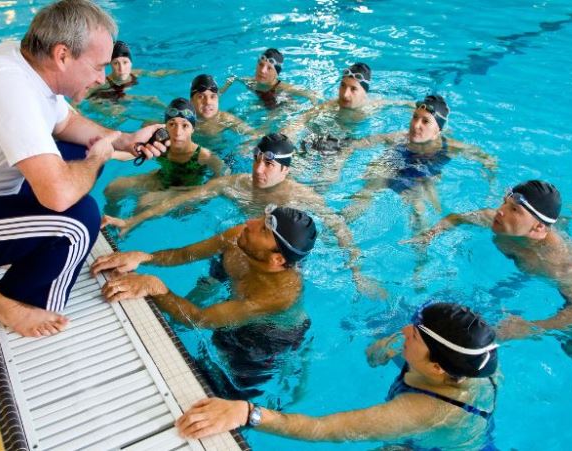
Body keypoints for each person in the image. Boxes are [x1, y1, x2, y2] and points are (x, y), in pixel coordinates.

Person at [0, 0, 166, 338]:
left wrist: (122, 140)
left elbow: (65, 121)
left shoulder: (22, 61)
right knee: (79, 222)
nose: (101, 77)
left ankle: (19, 249)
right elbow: (58, 196)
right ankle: (8, 299)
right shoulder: (10, 92)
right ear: (62, 55)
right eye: (98, 66)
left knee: (77, 152)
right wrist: (100, 155)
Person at [176, 302, 500, 451]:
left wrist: (248, 412)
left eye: (413, 336)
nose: (403, 331)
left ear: (436, 369)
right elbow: (377, 357)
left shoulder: (419, 412)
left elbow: (324, 429)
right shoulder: (469, 360)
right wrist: (390, 353)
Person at [104, 133, 386, 298]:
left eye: (269, 164)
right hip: (239, 248)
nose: (258, 170)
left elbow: (338, 226)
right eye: (257, 159)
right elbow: (183, 199)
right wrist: (134, 220)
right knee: (207, 286)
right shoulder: (236, 183)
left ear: (285, 170)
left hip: (273, 267)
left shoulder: (300, 197)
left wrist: (356, 271)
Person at [91, 205, 318, 398]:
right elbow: (185, 254)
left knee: (226, 386)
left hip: (267, 334)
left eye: (263, 229)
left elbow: (197, 320)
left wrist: (156, 288)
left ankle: (298, 370)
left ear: (277, 259)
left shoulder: (275, 297)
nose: (249, 222)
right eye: (260, 219)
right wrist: (144, 257)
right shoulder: (239, 236)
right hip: (240, 300)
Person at [408, 180, 572, 346]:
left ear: (538, 228)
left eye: (514, 209)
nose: (501, 211)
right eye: (505, 202)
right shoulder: (495, 218)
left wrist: (531, 328)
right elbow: (457, 218)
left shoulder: (559, 264)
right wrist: (430, 235)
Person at [340, 95, 496, 229]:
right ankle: (340, 225)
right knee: (369, 187)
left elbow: (487, 159)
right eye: (415, 117)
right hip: (395, 163)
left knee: (419, 207)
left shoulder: (450, 147)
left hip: (422, 176)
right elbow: (365, 142)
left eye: (425, 121)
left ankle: (421, 257)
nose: (416, 125)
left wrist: (491, 183)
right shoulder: (400, 137)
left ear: (438, 131)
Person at [104, 97, 229, 212]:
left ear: (193, 129)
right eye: (172, 124)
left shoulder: (203, 155)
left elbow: (222, 176)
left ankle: (123, 232)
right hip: (161, 179)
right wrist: (108, 154)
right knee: (113, 187)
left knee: (145, 203)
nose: (178, 132)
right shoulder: (161, 144)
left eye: (185, 125)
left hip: (185, 190)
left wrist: (200, 196)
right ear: (165, 126)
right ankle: (109, 222)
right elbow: (133, 153)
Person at [282, 62, 414, 143]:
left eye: (353, 89)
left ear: (365, 92)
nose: (345, 94)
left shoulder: (373, 106)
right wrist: (288, 132)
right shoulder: (333, 104)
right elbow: (303, 118)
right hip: (330, 133)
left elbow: (402, 103)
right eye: (343, 85)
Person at [220, 48, 319, 109]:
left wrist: (313, 109)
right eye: (261, 64)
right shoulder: (250, 82)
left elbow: (311, 96)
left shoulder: (282, 87)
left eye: (269, 68)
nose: (262, 71)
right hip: (264, 106)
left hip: (283, 109)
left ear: (276, 74)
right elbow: (233, 78)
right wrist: (220, 92)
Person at [190, 74, 259, 139]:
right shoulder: (186, 121)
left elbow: (254, 134)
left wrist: (246, 145)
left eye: (213, 96)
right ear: (191, 101)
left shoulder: (224, 119)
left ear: (217, 100)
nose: (208, 102)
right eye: (201, 97)